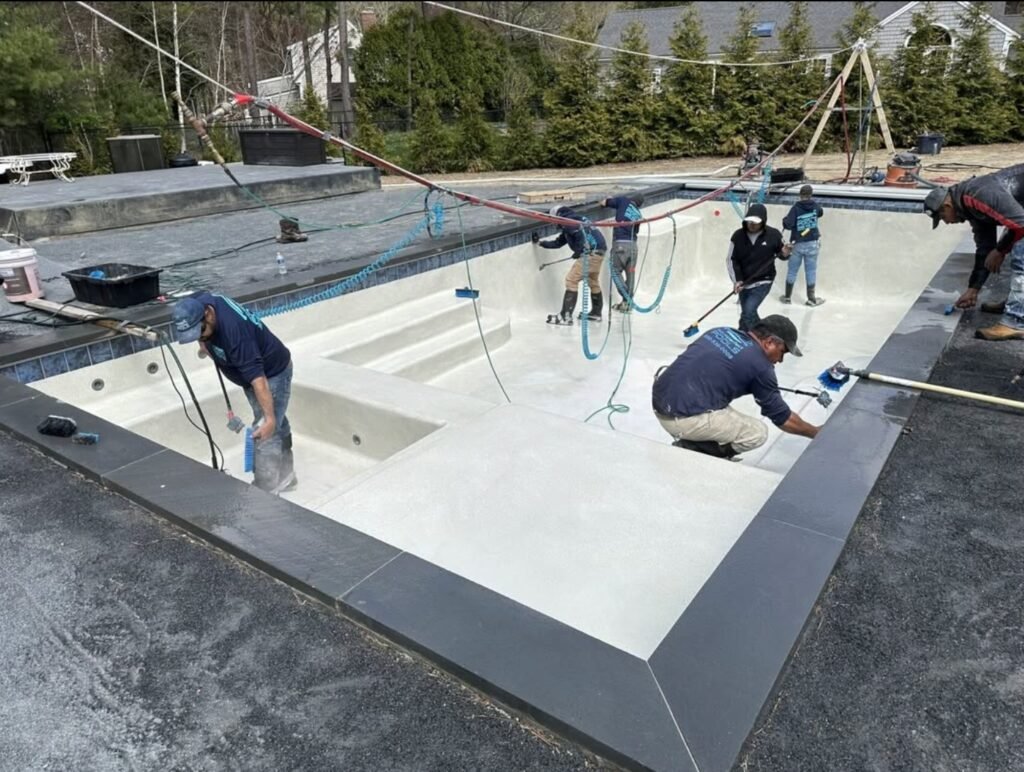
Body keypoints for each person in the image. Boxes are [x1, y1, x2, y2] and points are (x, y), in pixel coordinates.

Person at [173, 292, 296, 494]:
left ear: (208, 314)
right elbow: (199, 310)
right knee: (276, 419)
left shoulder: (236, 335)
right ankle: (287, 476)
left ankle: (265, 491)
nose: (200, 336)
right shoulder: (200, 303)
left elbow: (259, 380)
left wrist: (270, 419)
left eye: (200, 332)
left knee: (266, 430)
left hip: (272, 374)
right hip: (252, 374)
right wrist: (203, 343)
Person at [652, 315, 819, 459]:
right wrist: (815, 432)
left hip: (660, 400)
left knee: (721, 404)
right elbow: (784, 419)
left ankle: (696, 437)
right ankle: (695, 449)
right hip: (678, 419)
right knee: (756, 433)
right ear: (769, 342)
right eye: (783, 352)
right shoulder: (761, 367)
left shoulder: (721, 331)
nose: (781, 360)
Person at [924, 163, 1024, 340]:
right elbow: (985, 249)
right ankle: (1017, 303)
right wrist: (973, 289)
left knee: (1020, 256)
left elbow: (1021, 224)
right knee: (1011, 244)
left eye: (943, 217)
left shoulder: (977, 194)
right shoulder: (969, 207)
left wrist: (1000, 250)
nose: (946, 222)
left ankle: (1015, 321)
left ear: (947, 205)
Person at [533, 205, 608, 325]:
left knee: (571, 280)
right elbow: (559, 242)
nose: (554, 224)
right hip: (599, 253)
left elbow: (580, 236)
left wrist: (579, 250)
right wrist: (541, 243)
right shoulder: (574, 219)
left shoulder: (568, 222)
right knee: (592, 281)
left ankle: (566, 316)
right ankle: (596, 313)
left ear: (557, 216)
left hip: (590, 253)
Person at [729, 203, 792, 331]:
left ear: (763, 221)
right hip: (744, 282)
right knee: (746, 313)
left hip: (764, 280)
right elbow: (731, 260)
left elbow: (781, 254)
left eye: (755, 222)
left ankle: (762, 335)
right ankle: (744, 332)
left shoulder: (774, 235)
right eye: (749, 222)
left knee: (748, 310)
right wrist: (737, 280)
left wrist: (786, 253)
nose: (752, 225)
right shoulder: (737, 236)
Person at [781, 184, 825, 306]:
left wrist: (784, 220)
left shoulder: (796, 208)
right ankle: (811, 299)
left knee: (792, 270)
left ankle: (787, 297)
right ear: (811, 195)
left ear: (800, 195)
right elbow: (821, 213)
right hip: (813, 243)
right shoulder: (815, 206)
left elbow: (788, 224)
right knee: (811, 271)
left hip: (798, 244)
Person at [602, 194, 645, 313]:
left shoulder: (623, 201)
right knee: (630, 274)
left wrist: (606, 199)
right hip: (633, 247)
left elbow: (605, 202)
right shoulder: (638, 214)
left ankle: (627, 298)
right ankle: (626, 303)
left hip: (620, 245)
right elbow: (634, 230)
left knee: (615, 271)